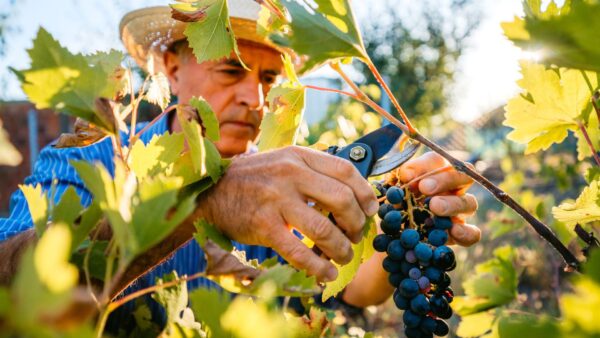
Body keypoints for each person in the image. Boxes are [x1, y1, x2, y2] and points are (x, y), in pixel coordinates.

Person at [0, 0, 480, 328]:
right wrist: (203, 203)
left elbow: (350, 292)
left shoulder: (279, 187)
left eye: (270, 78)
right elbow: (10, 296)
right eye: (231, 69)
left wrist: (405, 228)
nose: (255, 97)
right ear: (171, 66)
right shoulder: (87, 160)